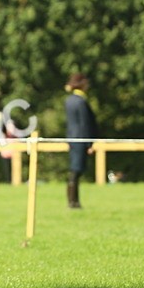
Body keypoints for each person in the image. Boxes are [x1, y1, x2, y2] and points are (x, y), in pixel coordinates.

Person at [64, 73, 98, 210]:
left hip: (72, 138)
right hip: (81, 139)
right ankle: (73, 202)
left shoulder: (69, 100)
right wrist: (89, 143)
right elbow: (85, 124)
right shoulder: (81, 101)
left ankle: (73, 201)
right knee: (76, 170)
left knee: (75, 170)